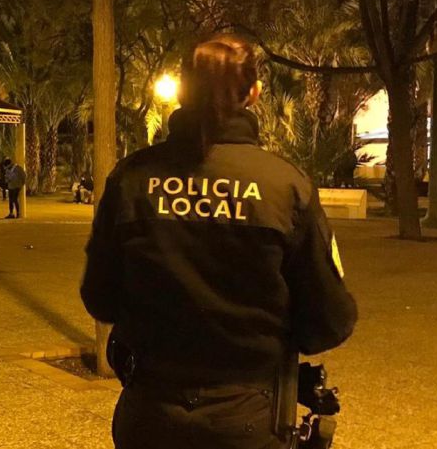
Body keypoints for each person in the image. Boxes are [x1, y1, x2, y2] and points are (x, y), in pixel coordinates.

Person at [80, 37, 357, 449]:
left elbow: (99, 298)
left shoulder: (131, 179)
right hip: (248, 419)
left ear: (183, 91)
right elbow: (330, 320)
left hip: (150, 414)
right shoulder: (284, 186)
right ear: (254, 93)